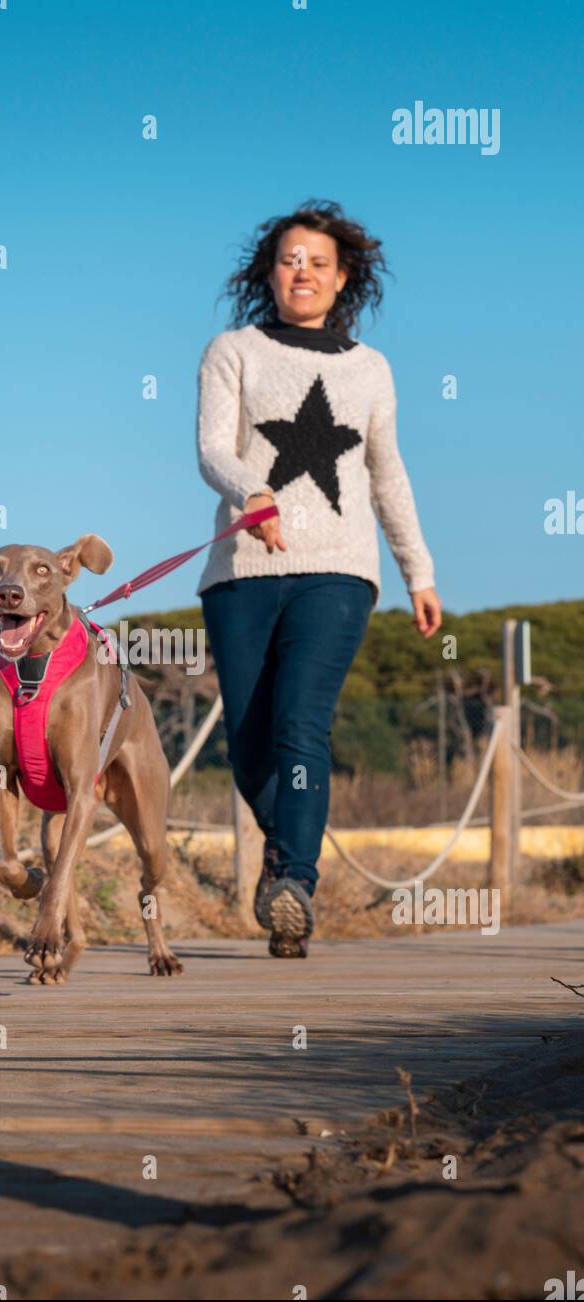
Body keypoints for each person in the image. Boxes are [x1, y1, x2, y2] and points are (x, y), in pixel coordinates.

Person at [196, 199, 442, 960]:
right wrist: (253, 491)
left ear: (342, 281)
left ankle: (295, 884)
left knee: (302, 725)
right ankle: (285, 854)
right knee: (247, 746)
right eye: (290, 259)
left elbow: (387, 473)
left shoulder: (371, 370)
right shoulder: (231, 350)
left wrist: (418, 571)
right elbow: (211, 449)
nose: (302, 272)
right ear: (270, 273)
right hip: (242, 571)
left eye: (318, 263)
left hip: (338, 572)